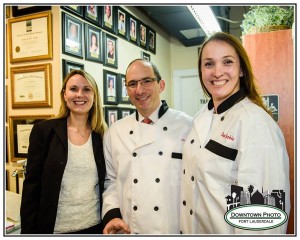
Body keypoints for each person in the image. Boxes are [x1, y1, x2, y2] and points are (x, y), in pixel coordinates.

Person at [180, 32, 290, 234]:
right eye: (209, 64)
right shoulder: (200, 118)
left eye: (227, 62)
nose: (217, 72)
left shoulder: (256, 124)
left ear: (241, 70)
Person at [102, 59, 192, 234]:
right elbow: (111, 181)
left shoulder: (187, 126)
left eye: (147, 81)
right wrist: (112, 215)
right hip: (130, 229)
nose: (139, 90)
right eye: (132, 84)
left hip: (173, 229)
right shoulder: (115, 131)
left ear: (161, 85)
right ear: (127, 89)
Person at [20, 70, 107, 234]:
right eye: (73, 89)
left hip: (95, 227)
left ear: (94, 96)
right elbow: (31, 187)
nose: (79, 95)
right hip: (54, 229)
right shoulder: (44, 131)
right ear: (64, 95)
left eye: (87, 89)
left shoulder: (102, 135)